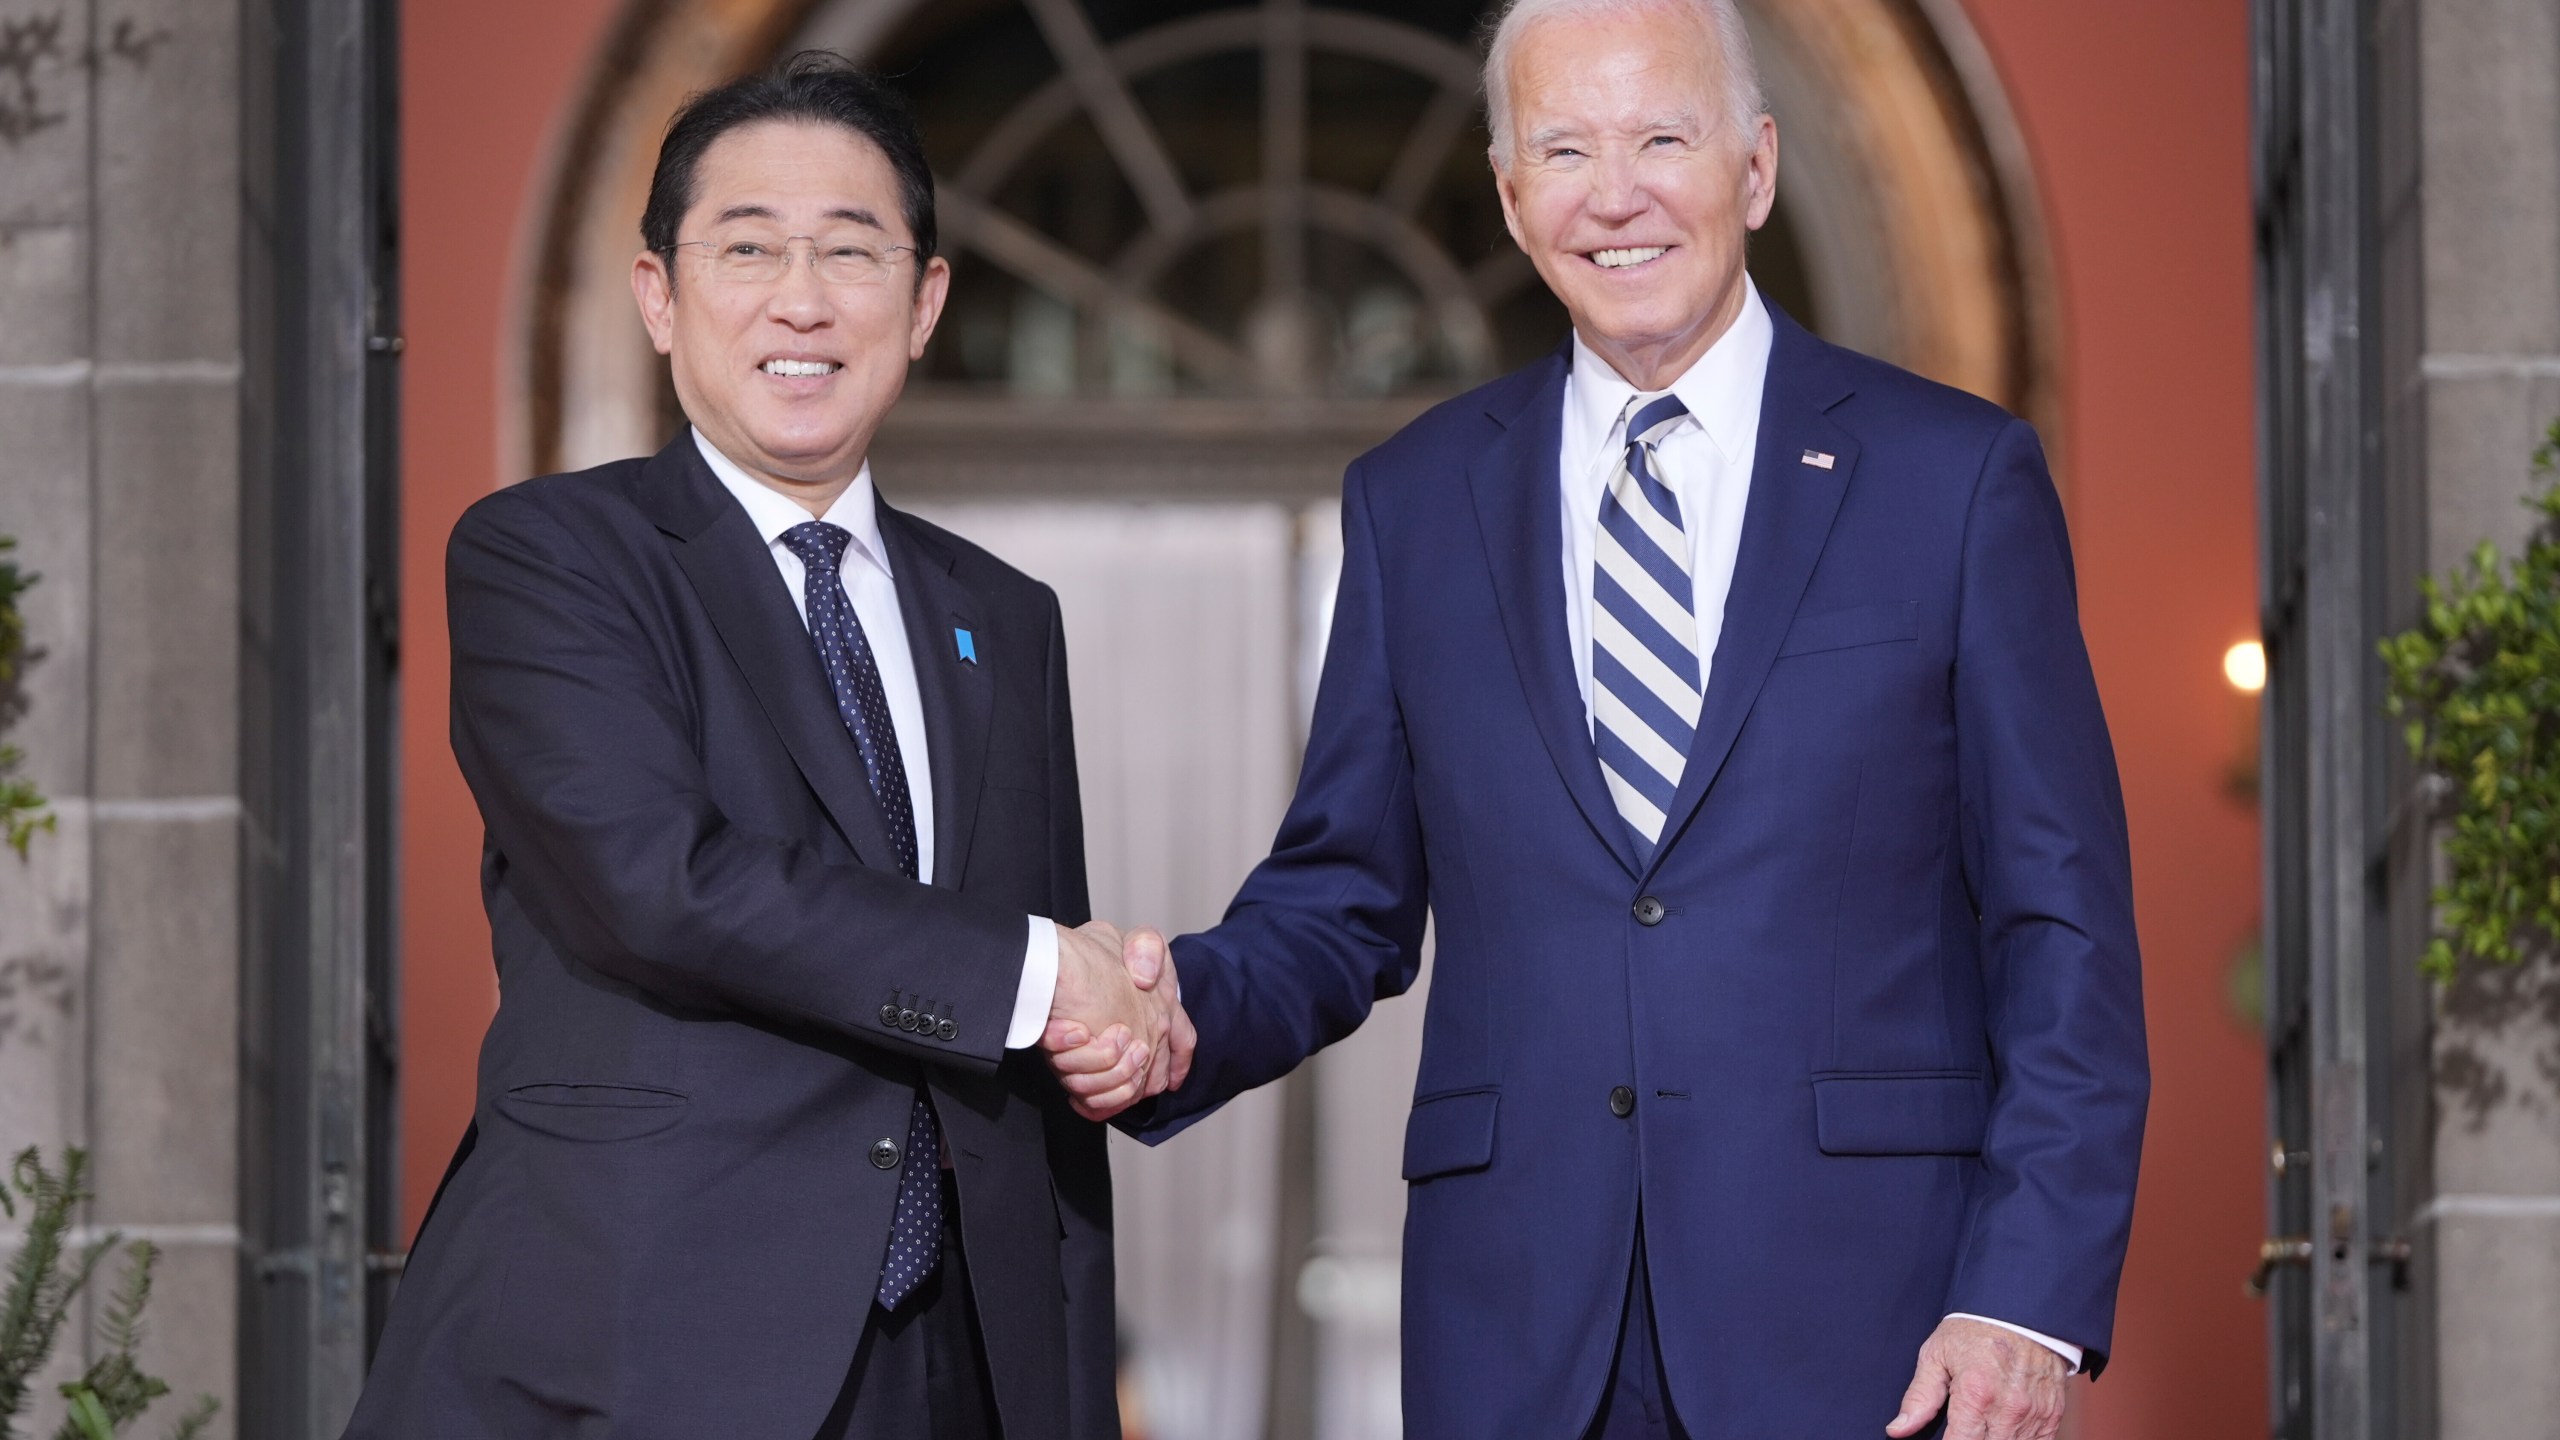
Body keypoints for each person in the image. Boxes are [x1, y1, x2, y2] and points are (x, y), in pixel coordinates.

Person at [1048, 2, 2148, 1437]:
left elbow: (2061, 929)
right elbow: (1344, 901)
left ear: (1753, 169)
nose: (1614, 193)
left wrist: (2025, 1299)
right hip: (1518, 1331)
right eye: (1563, 148)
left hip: (1869, 1324)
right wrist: (1173, 1014)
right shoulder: (1416, 501)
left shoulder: (1954, 478)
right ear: (1511, 200)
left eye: (1661, 138)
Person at [347, 55, 1180, 1440]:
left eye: (852, 253)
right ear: (658, 298)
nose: (803, 300)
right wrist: (1045, 974)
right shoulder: (554, 556)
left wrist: (1101, 1027)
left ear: (923, 306)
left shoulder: (1003, 620)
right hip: (639, 1345)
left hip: (959, 1362)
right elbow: (656, 880)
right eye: (748, 249)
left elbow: (1029, 1056)